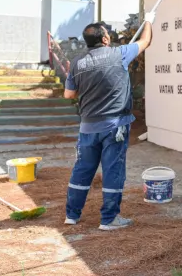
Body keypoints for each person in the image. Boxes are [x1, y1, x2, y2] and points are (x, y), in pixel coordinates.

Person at [63, 12, 154, 231]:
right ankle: (109, 219)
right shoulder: (119, 54)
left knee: (82, 170)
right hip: (115, 127)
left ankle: (71, 215)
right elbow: (145, 41)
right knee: (113, 171)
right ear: (104, 39)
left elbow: (69, 94)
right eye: (107, 34)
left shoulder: (77, 63)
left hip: (88, 127)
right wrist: (149, 20)